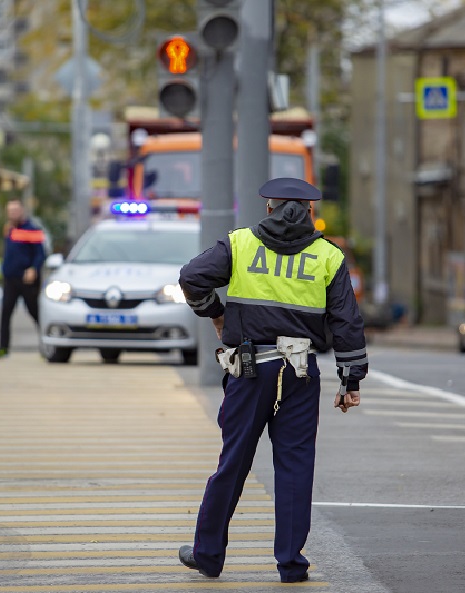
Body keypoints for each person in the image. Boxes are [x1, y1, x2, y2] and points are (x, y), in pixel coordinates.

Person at [176, 177, 368, 583]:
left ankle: (208, 555)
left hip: (249, 370)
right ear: (311, 214)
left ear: (269, 209)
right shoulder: (327, 256)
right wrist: (350, 381)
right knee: (295, 466)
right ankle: (291, 564)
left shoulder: (240, 243)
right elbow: (347, 322)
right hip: (299, 373)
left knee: (233, 462)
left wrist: (217, 314)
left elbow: (191, 278)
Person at [0, 199, 46, 359]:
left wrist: (34, 269)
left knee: (35, 312)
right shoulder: (9, 230)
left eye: (16, 210)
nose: (13, 213)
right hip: (10, 279)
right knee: (5, 314)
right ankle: (3, 348)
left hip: (27, 279)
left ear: (22, 211)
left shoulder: (33, 230)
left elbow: (40, 254)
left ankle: (48, 344)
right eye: (10, 211)